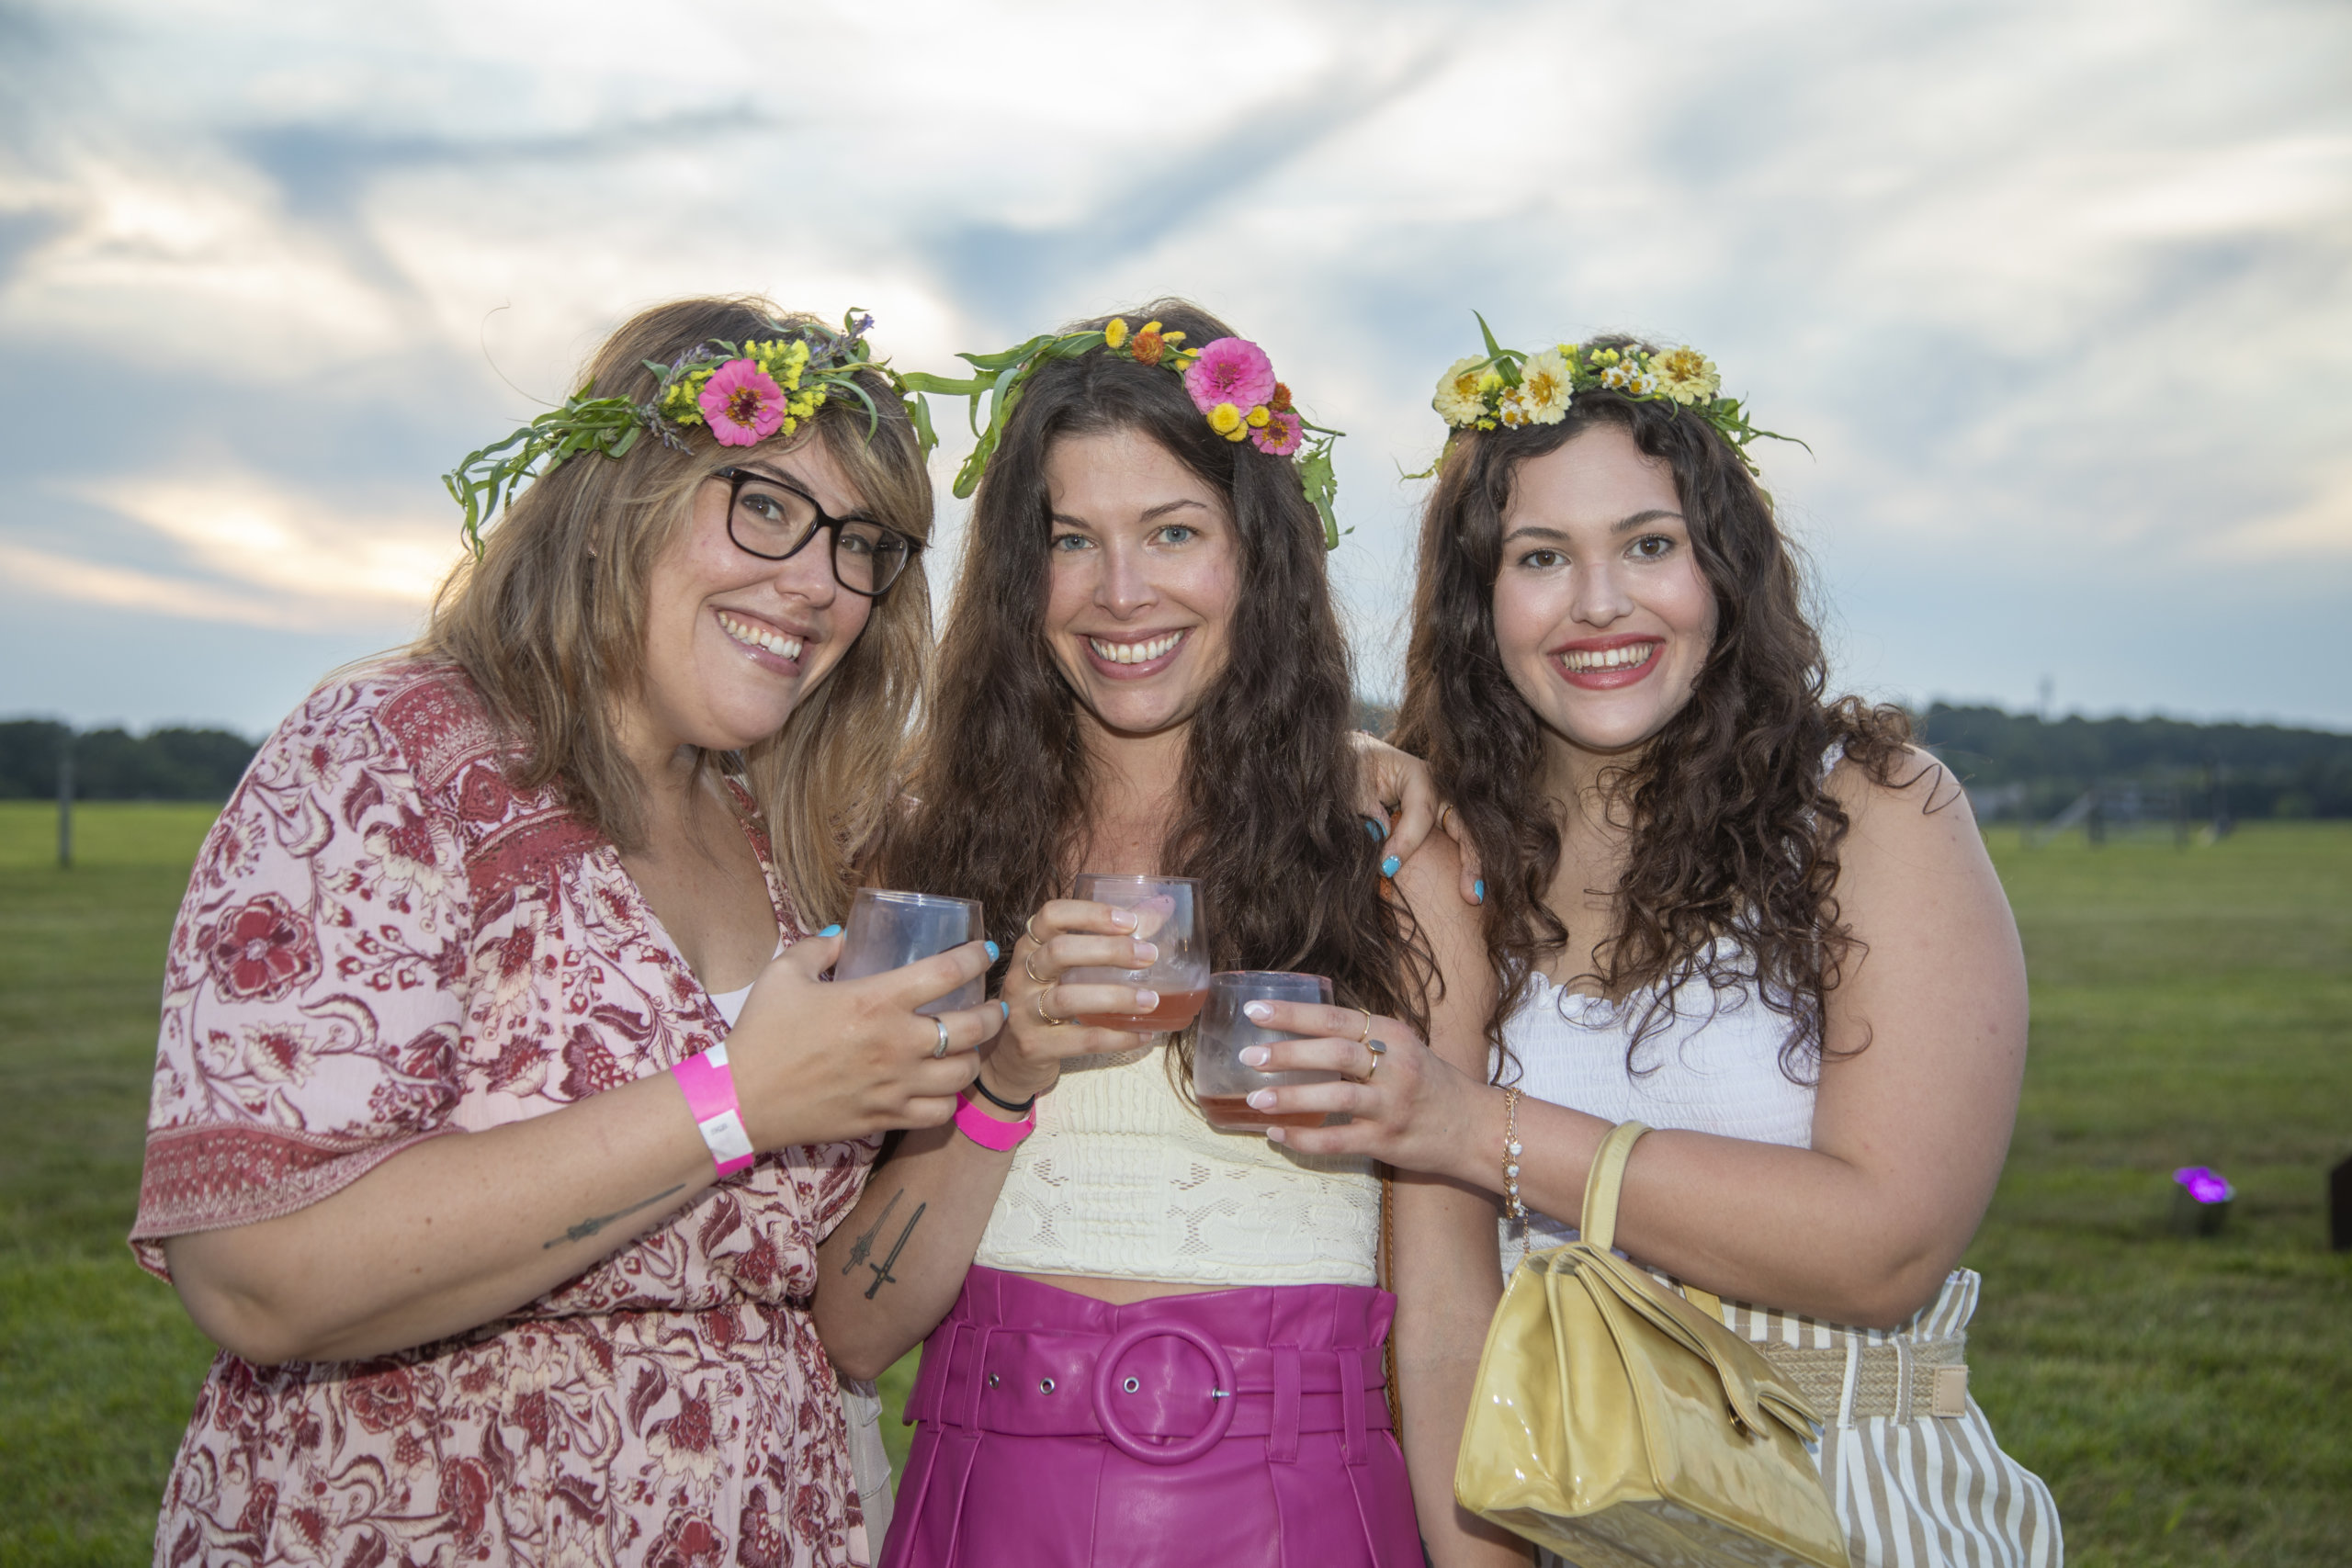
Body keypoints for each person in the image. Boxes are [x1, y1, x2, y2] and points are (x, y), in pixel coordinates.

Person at [130, 298, 1005, 1566]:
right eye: (764, 505)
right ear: (622, 499)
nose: (819, 584)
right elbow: (259, 1276)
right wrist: (734, 1100)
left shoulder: (794, 828)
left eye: (863, 545)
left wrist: (1348, 767)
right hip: (431, 1514)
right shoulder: (389, 762)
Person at [1240, 331, 2064, 1566]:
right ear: (1481, 602)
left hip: (1866, 1498)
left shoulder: (1874, 813)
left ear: (1722, 568)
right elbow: (1449, 1319)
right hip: (1564, 1513)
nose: (1600, 604)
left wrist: (1473, 1128)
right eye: (1540, 558)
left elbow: (1887, 1245)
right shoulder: (1446, 852)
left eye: (1648, 544)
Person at [808, 302, 1464, 1568]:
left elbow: (1443, 1318)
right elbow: (853, 1324)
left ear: (1257, 556)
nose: (1122, 595)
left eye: (1173, 531)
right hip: (990, 1512)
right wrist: (1006, 1075)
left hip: (1311, 1515)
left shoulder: (1386, 853)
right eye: (1072, 540)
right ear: (1017, 573)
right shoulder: (921, 863)